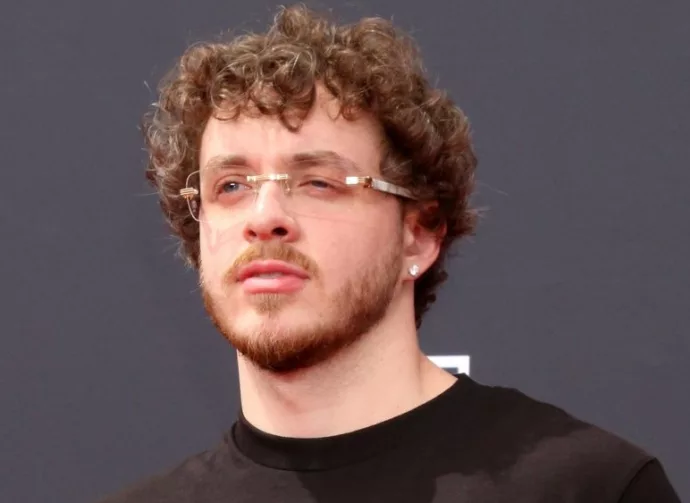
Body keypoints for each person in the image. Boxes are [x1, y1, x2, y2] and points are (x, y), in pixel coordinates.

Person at [98, 4, 680, 502]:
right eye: (231, 186)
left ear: (418, 235)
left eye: (319, 181)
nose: (264, 218)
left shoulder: (587, 488)